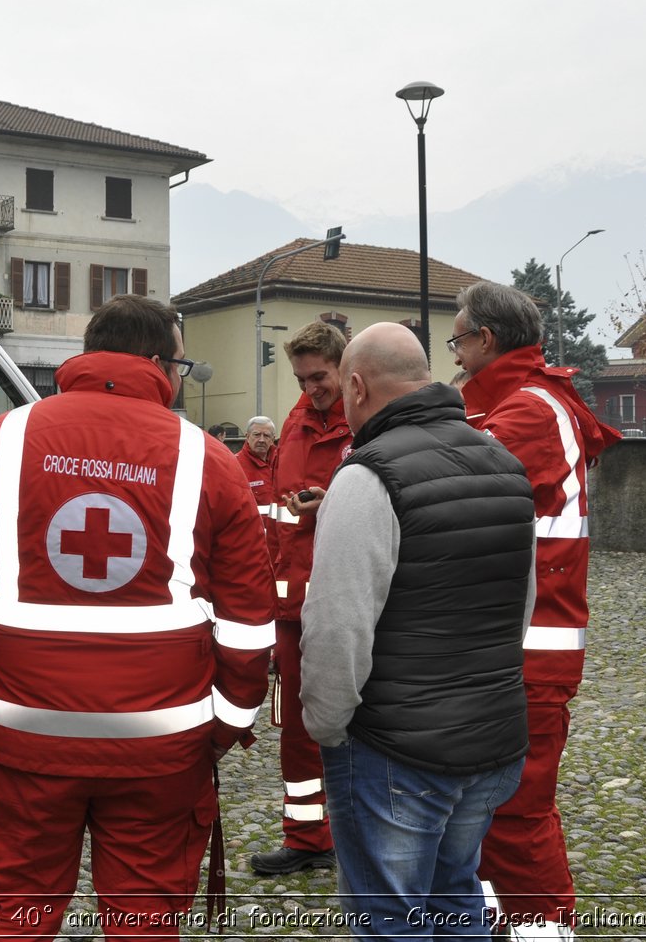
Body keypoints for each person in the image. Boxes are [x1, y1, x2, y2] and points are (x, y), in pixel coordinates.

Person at [0, 294, 276, 940]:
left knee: (16, 918)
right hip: (162, 749)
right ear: (158, 358)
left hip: (27, 739)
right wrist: (228, 723)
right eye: (180, 366)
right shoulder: (210, 460)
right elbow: (248, 621)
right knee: (144, 921)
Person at [302, 322, 535, 937]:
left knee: (390, 917)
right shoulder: (505, 465)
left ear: (356, 386)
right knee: (457, 893)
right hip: (492, 739)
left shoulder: (367, 477)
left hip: (394, 751)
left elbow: (336, 627)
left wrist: (326, 726)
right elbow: (521, 605)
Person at [449, 282, 622, 938]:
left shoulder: (527, 411)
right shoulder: (527, 403)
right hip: (508, 648)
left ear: (485, 340)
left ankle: (543, 928)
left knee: (516, 810)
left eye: (458, 340)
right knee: (487, 808)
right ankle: (503, 921)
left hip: (527, 651)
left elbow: (445, 482)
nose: (455, 355)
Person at [251, 320, 350, 876]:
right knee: (297, 729)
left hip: (344, 601)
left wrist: (332, 501)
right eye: (301, 378)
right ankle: (308, 836)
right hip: (292, 607)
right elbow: (276, 513)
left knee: (354, 725)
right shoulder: (294, 421)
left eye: (320, 376)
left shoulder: (367, 420)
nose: (311, 387)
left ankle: (361, 834)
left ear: (346, 367)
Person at [235, 415, 281, 568]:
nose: (261, 439)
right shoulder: (235, 466)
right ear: (247, 437)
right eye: (256, 435)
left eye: (266, 435)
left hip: (282, 544)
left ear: (273, 438)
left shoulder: (283, 462)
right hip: (250, 547)